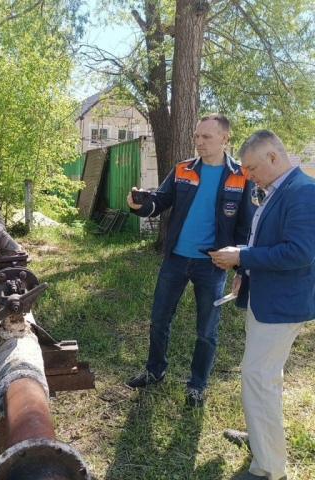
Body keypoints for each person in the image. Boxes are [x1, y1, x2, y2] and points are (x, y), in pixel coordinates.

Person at [126, 113, 256, 407]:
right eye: (197, 136)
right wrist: (139, 204)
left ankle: (197, 385)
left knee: (206, 330)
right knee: (159, 320)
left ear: (224, 138)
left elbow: (246, 226)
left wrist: (240, 265)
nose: (199, 142)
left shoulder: (241, 176)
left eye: (206, 137)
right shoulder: (183, 169)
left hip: (211, 265)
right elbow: (159, 202)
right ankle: (154, 370)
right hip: (175, 259)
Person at [210, 130, 315, 480]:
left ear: (273, 157)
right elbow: (267, 240)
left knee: (259, 378)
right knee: (262, 377)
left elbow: (300, 252)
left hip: (281, 305)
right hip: (266, 296)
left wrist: (241, 255)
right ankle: (262, 439)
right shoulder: (278, 189)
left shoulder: (303, 192)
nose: (248, 176)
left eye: (252, 168)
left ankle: (269, 469)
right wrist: (248, 271)